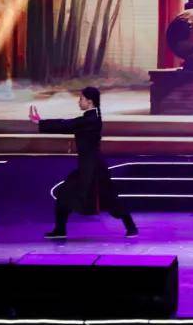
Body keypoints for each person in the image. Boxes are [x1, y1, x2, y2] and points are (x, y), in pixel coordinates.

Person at [29, 87, 137, 239]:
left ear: (89, 101)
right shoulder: (90, 118)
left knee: (110, 199)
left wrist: (40, 122)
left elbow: (67, 124)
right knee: (65, 194)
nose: (79, 101)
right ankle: (60, 230)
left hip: (95, 169)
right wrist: (41, 123)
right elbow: (68, 125)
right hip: (87, 167)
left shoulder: (91, 120)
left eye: (81, 99)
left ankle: (131, 227)